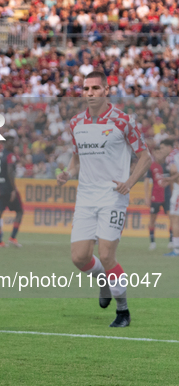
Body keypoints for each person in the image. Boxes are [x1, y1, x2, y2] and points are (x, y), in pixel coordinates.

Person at [57, 71, 151, 327]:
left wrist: (129, 183)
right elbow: (76, 158)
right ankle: (104, 284)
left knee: (107, 255)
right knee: (79, 257)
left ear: (106, 91)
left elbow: (145, 156)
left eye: (96, 88)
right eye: (86, 89)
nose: (90, 93)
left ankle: (123, 311)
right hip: (85, 197)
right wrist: (68, 172)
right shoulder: (76, 123)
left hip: (113, 196)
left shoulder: (123, 121)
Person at [0, 135, 24, 248]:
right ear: (6, 143)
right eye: (11, 142)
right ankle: (12, 238)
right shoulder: (10, 156)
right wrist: (13, 189)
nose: (13, 144)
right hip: (8, 188)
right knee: (20, 211)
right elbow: (10, 172)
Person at [144, 139, 174, 251]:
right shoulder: (151, 166)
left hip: (167, 196)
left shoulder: (168, 165)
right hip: (155, 197)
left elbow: (171, 182)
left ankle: (171, 241)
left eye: (160, 152)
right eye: (156, 152)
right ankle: (152, 243)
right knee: (152, 219)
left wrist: (172, 194)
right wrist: (146, 197)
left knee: (172, 218)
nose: (158, 154)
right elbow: (146, 182)